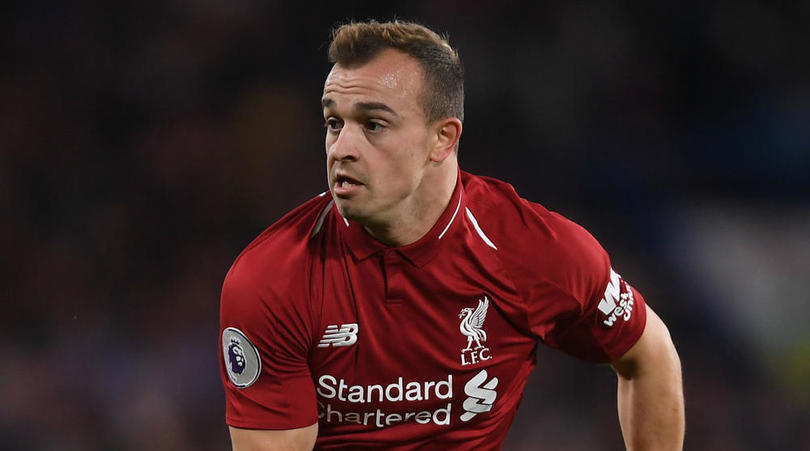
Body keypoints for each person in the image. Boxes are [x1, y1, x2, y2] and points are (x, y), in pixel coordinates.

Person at [219, 20, 684, 450]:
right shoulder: (272, 280)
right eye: (333, 123)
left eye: (373, 125)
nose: (341, 149)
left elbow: (649, 356)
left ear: (443, 138)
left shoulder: (531, 250)